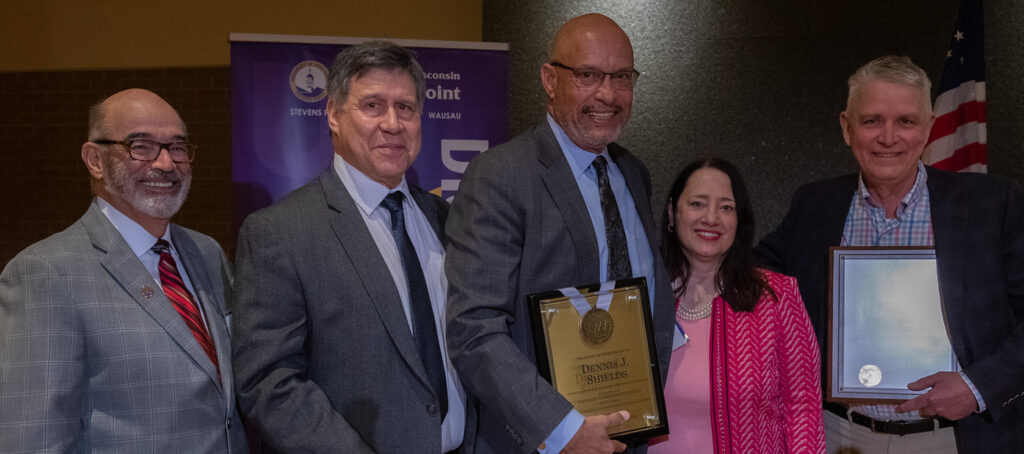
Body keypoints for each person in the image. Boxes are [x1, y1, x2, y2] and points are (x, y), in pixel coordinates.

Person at [756, 55, 1024, 453]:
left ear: (929, 127)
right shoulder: (816, 204)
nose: (888, 137)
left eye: (906, 121)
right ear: (847, 128)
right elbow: (752, 275)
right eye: (872, 121)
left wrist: (977, 386)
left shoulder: (994, 204)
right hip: (840, 436)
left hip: (954, 438)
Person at [445, 13, 674, 454]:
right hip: (540, 443)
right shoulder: (500, 175)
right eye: (588, 75)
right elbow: (473, 328)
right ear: (550, 80)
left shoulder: (633, 173)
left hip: (628, 437)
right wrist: (561, 428)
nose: (607, 94)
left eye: (622, 77)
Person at [231, 41, 473, 453]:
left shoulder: (445, 218)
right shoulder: (279, 232)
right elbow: (269, 381)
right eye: (373, 106)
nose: (393, 123)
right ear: (333, 114)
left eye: (406, 107)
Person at [0, 88, 247, 452]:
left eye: (177, 148)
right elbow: (33, 438)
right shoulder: (45, 273)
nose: (165, 164)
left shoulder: (206, 253)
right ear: (95, 159)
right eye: (141, 146)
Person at [648, 158, 824, 453]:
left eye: (726, 207)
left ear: (739, 220)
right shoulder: (643, 298)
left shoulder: (776, 297)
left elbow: (803, 408)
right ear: (671, 212)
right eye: (697, 204)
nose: (711, 218)